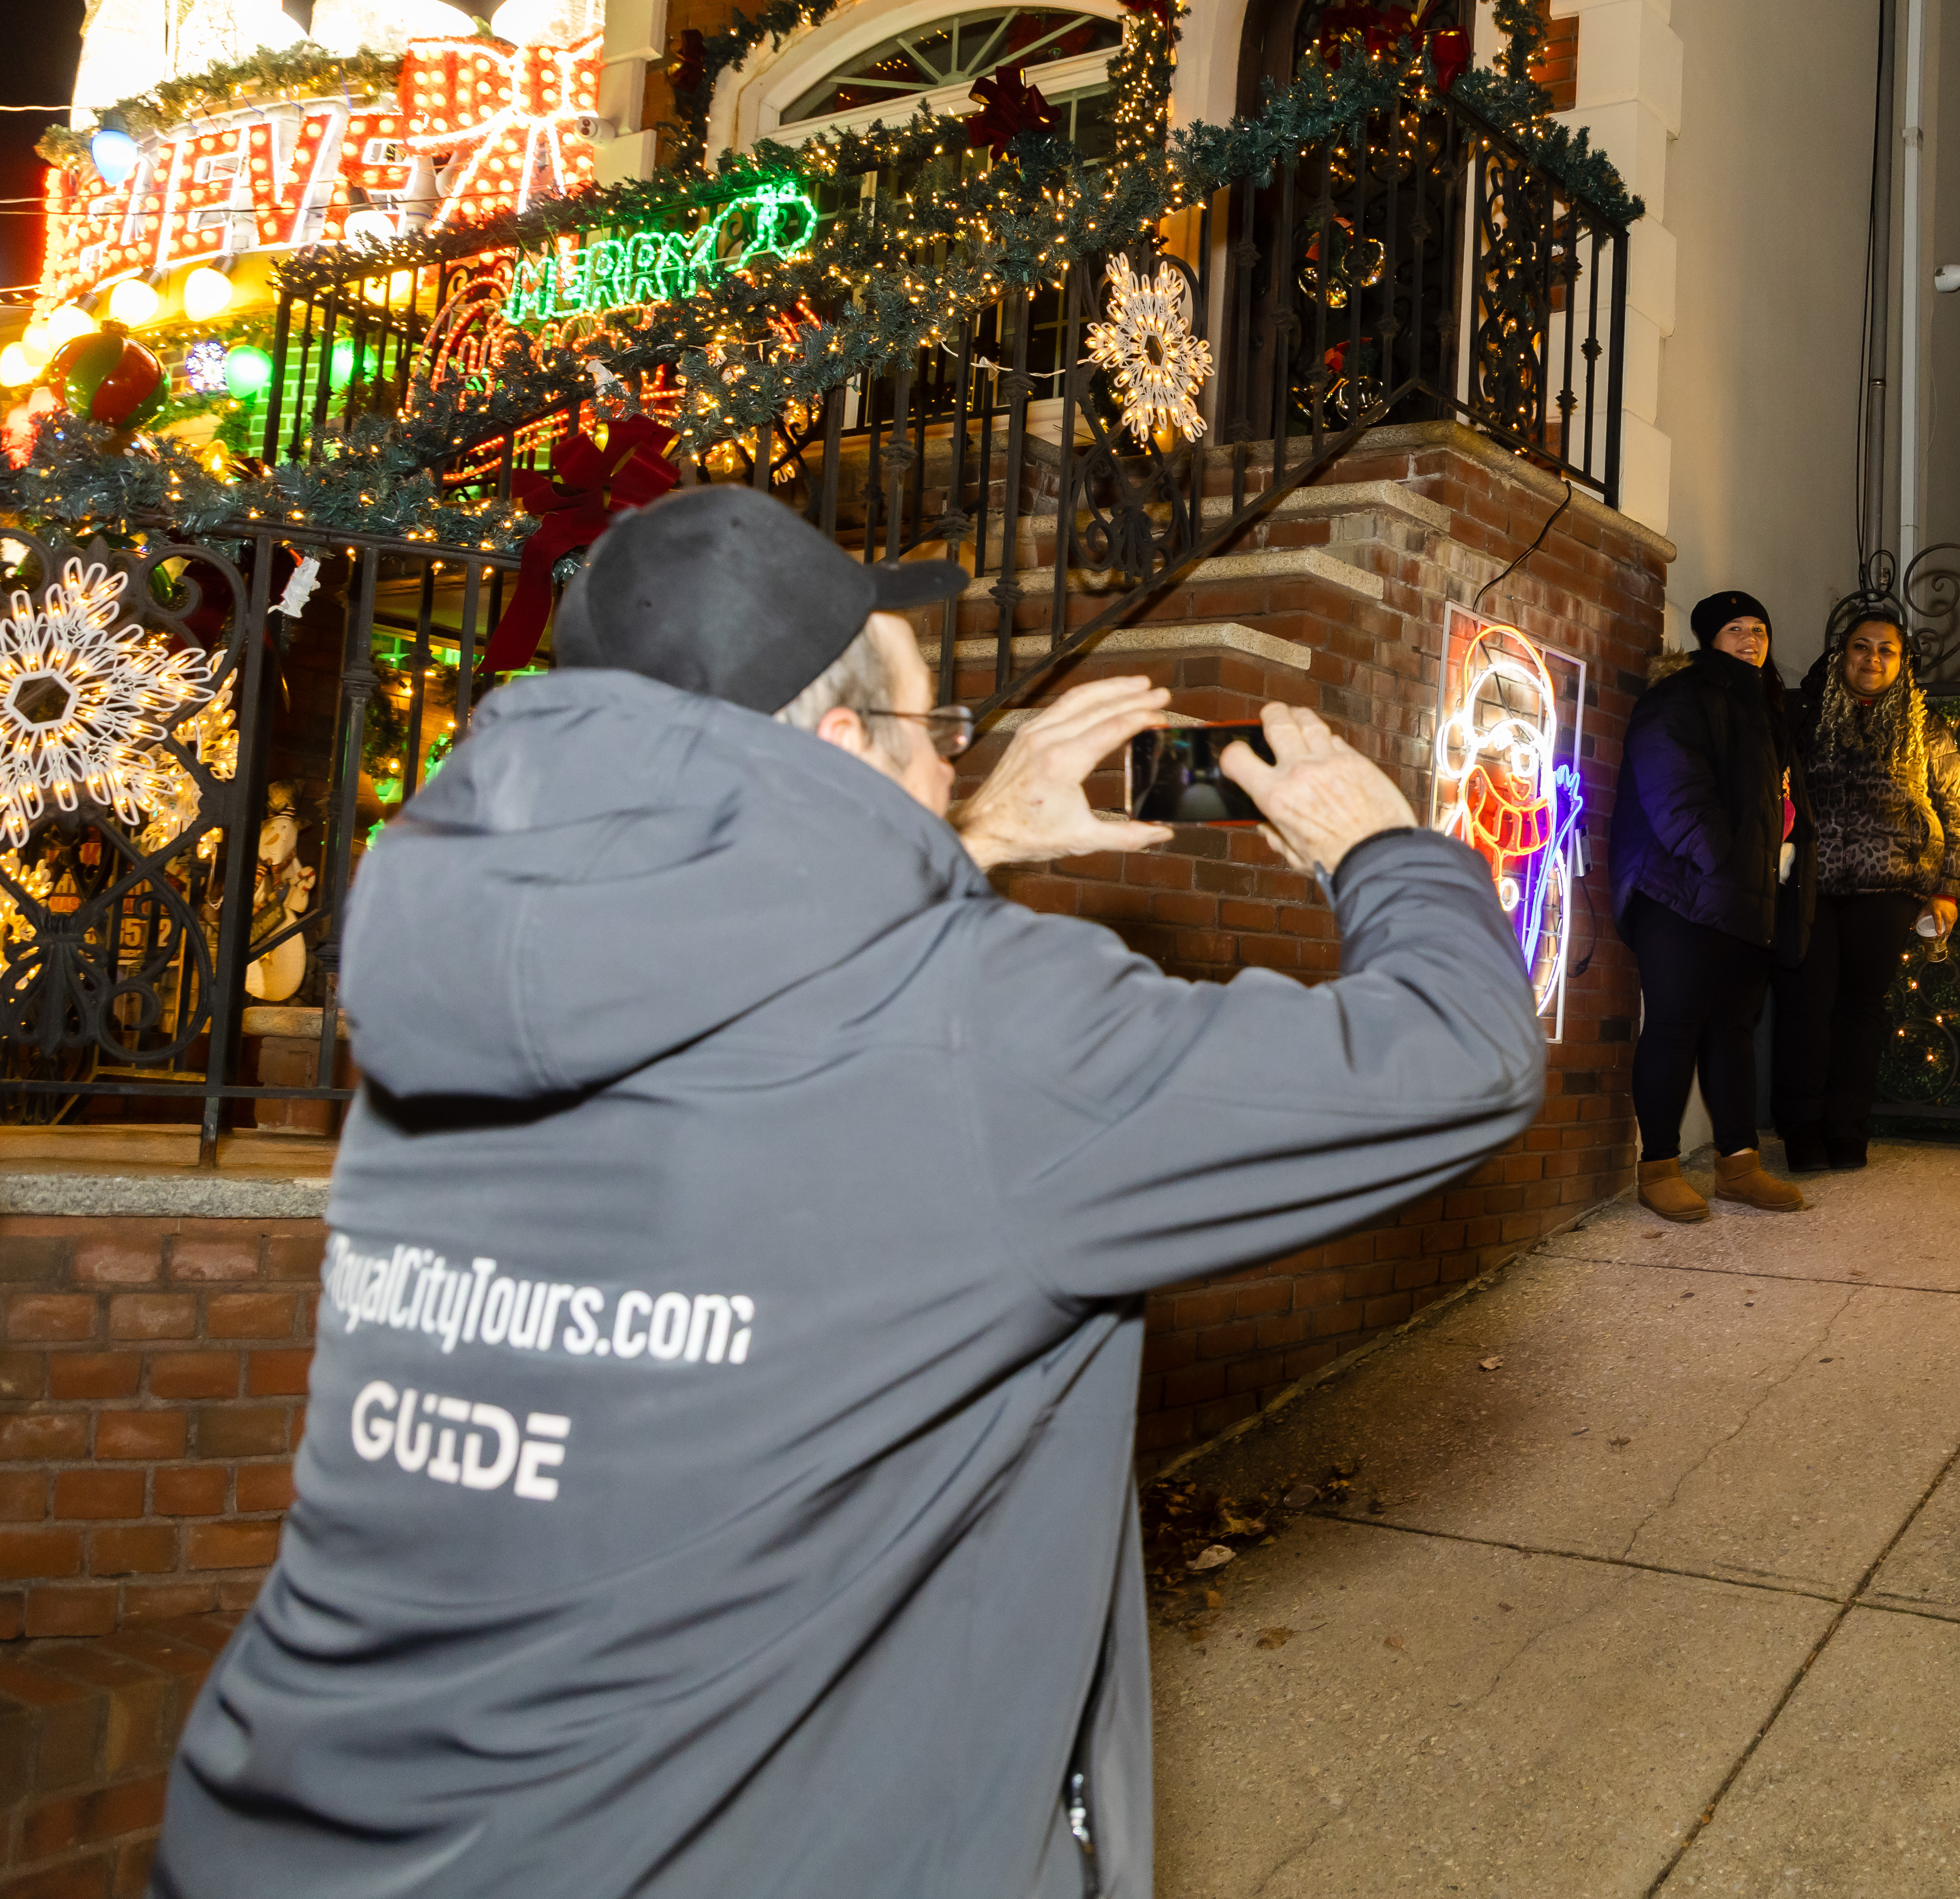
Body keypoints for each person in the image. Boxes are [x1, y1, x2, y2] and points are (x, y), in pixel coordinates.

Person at [154, 487, 1546, 1897]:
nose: (950, 765)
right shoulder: (990, 1043)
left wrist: (965, 838)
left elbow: (754, 989)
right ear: (838, 748)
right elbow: (1459, 1055)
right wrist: (1379, 847)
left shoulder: (454, 987)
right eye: (933, 735)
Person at [1609, 589, 1814, 1222]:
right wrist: (1722, 860)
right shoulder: (1681, 696)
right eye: (1735, 628)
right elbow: (1675, 790)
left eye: (1760, 627)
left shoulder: (1765, 709)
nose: (1752, 638)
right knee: (1674, 1027)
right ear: (1707, 640)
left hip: (1743, 897)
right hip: (1681, 893)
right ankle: (1659, 1168)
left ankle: (1739, 1165)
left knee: (1733, 1031)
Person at [1771, 602, 1960, 1171]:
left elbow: (1956, 815)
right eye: (1862, 646)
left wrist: (1946, 890)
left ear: (1902, 663)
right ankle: (1802, 1132)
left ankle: (1848, 1131)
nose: (1873, 658)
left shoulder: (1927, 729)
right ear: (1842, 654)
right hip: (1811, 884)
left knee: (1861, 1012)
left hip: (1889, 890)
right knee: (1805, 1010)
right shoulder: (1805, 718)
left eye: (1886, 650)